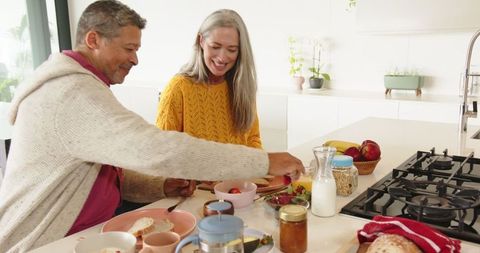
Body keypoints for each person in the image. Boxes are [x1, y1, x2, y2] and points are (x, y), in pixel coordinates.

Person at [0, 1, 304, 252]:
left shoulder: (84, 87)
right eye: (129, 48)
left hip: (93, 233)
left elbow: (105, 172)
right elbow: (156, 149)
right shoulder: (71, 94)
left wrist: (158, 186)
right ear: (93, 40)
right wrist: (264, 161)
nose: (135, 60)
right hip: (45, 243)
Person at [156, 9, 262, 149]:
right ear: (201, 41)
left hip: (241, 172)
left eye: (231, 50)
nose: (222, 57)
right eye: (215, 47)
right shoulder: (179, 88)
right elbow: (163, 150)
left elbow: (253, 140)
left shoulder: (242, 87)